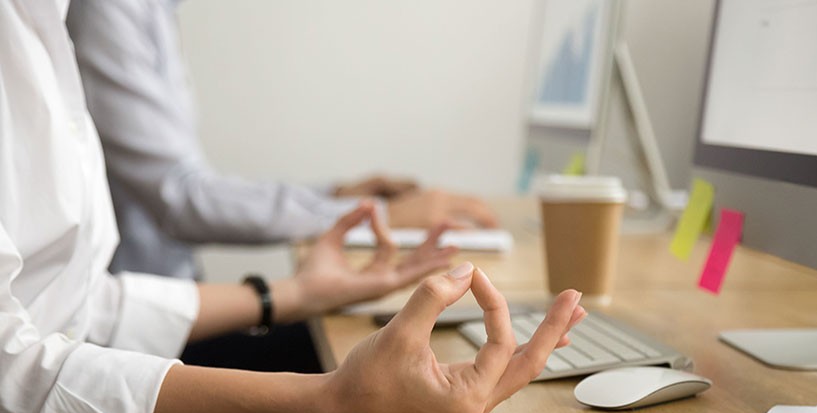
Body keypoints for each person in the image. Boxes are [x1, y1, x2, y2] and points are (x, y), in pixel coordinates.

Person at [0, 3, 585, 413]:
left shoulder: (43, 21)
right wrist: (334, 398)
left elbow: (71, 302)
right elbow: (12, 369)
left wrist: (290, 294)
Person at [66, 0, 500, 280]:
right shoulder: (109, 9)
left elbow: (185, 183)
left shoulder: (152, 10)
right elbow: (180, 198)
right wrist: (375, 215)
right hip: (138, 329)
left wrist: (335, 194)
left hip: (168, 299)